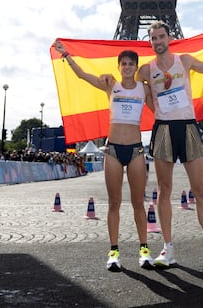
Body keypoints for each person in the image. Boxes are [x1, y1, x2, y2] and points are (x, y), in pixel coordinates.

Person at [137, 21, 203, 271]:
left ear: (169, 37)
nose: (158, 41)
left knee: (200, 189)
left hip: (189, 127)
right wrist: (161, 112)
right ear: (149, 42)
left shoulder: (185, 61)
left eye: (161, 36)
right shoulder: (145, 70)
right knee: (164, 189)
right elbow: (144, 96)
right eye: (154, 38)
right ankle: (168, 248)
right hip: (163, 129)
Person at [54, 40, 155, 272]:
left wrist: (160, 80)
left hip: (136, 149)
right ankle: (114, 250)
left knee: (139, 203)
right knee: (114, 203)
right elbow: (82, 75)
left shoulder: (144, 88)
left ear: (136, 67)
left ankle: (144, 249)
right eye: (124, 64)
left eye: (131, 64)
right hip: (113, 150)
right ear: (119, 66)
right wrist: (66, 54)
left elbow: (160, 108)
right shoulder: (111, 85)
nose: (128, 67)